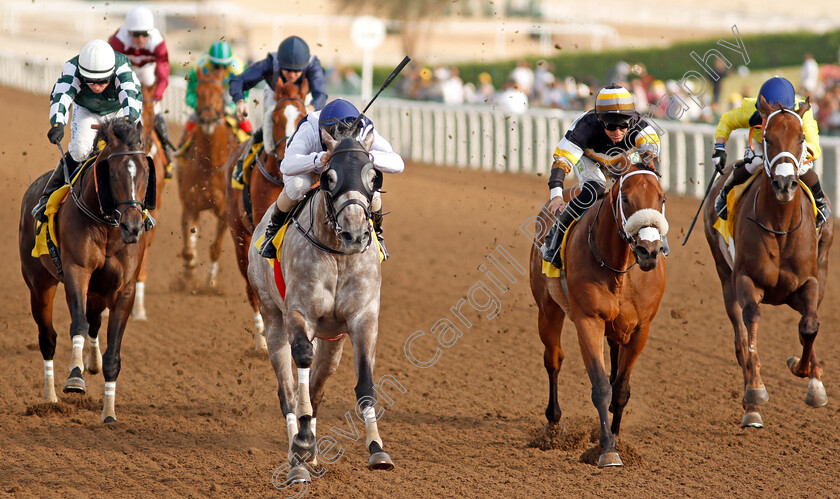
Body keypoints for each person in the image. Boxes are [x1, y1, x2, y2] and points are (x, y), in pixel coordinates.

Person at [259, 99, 404, 259]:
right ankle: (272, 231)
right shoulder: (309, 129)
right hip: (311, 165)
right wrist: (318, 159)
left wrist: (366, 155)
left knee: (373, 191)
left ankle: (378, 234)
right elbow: (287, 165)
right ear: (325, 132)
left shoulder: (364, 129)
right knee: (299, 185)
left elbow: (398, 164)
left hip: (347, 168)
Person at [541, 85, 663, 269]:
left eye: (623, 126)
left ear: (630, 121)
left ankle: (661, 236)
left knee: (645, 188)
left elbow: (651, 158)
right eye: (611, 126)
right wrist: (556, 196)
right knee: (594, 190)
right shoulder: (584, 128)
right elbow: (561, 163)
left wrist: (648, 164)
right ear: (600, 121)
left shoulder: (640, 127)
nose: (617, 132)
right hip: (590, 159)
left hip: (621, 158)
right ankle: (556, 235)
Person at [31, 39, 142, 221]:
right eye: (91, 81)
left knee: (132, 154)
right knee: (79, 150)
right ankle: (47, 196)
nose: (97, 87)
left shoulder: (122, 67)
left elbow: (130, 95)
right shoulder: (72, 68)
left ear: (111, 73)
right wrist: (58, 123)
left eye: (102, 81)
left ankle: (143, 208)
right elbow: (62, 94)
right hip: (87, 110)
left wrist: (130, 120)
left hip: (120, 110)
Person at [712, 76, 829, 225]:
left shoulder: (803, 115)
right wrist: (719, 147)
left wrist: (792, 158)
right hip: (763, 142)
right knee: (754, 163)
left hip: (791, 147)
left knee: (802, 168)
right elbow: (726, 121)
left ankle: (820, 202)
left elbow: (814, 148)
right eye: (763, 113)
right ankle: (724, 194)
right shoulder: (750, 111)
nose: (765, 118)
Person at [229, 35, 328, 184]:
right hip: (276, 95)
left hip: (303, 99)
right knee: (269, 126)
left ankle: (322, 168)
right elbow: (239, 80)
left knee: (312, 130)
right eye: (287, 70)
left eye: (297, 71)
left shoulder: (313, 66)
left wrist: (310, 107)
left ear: (305, 67)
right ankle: (242, 164)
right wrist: (240, 101)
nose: (292, 75)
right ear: (280, 64)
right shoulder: (270, 63)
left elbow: (320, 94)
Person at [108, 5, 173, 173]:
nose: (140, 39)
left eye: (145, 34)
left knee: (155, 110)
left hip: (147, 72)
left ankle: (167, 158)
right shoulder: (118, 41)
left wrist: (156, 96)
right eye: (136, 34)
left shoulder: (158, 42)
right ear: (128, 33)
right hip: (125, 70)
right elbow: (111, 70)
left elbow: (164, 71)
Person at [179, 41, 252, 148]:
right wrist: (199, 106)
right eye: (216, 66)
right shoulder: (199, 67)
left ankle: (252, 146)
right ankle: (180, 149)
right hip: (207, 99)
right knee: (193, 118)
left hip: (230, 96)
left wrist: (232, 108)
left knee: (243, 118)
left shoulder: (239, 69)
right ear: (209, 62)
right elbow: (190, 93)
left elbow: (244, 94)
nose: (221, 70)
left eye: (225, 66)